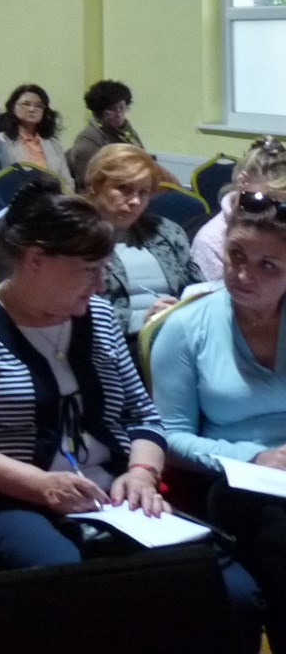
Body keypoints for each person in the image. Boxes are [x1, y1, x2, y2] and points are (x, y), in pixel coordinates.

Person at [0, 185, 263, 648]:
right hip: (11, 498)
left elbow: (143, 415)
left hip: (112, 494)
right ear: (36, 260)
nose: (101, 284)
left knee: (232, 590)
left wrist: (142, 473)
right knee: (79, 586)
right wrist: (40, 485)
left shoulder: (97, 316)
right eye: (90, 270)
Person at [153, 193, 286, 648]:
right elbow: (170, 438)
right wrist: (255, 457)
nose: (244, 275)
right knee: (276, 520)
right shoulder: (185, 328)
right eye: (237, 256)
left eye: (269, 266)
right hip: (234, 479)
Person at [83, 143, 200, 336]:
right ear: (95, 186)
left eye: (143, 192)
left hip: (177, 335)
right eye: (124, 189)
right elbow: (73, 312)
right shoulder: (75, 239)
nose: (135, 201)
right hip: (113, 343)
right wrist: (143, 319)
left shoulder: (165, 232)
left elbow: (197, 289)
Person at [193, 139, 286, 281]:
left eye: (283, 204)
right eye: (265, 200)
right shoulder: (210, 241)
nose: (273, 213)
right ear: (243, 182)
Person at [0, 83, 75, 192]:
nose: (32, 109)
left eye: (38, 106)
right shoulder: (1, 141)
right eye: (26, 104)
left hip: (54, 198)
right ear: (13, 107)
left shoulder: (53, 143)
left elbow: (67, 182)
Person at [67, 78, 145, 185]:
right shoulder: (87, 141)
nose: (119, 114)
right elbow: (93, 181)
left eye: (122, 108)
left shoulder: (127, 133)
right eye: (112, 109)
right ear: (99, 112)